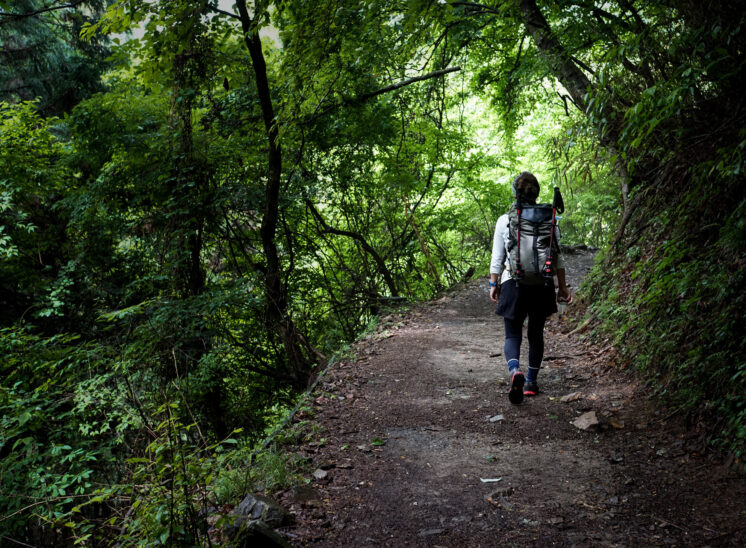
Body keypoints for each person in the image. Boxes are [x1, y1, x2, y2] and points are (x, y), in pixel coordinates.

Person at [489, 172, 573, 404]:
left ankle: (515, 371)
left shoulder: (506, 219)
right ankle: (531, 382)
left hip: (513, 282)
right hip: (542, 283)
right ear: (536, 194)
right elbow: (557, 258)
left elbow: (497, 257)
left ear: (515, 193)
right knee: (536, 334)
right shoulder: (550, 218)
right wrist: (562, 288)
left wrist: (494, 283)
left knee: (513, 333)